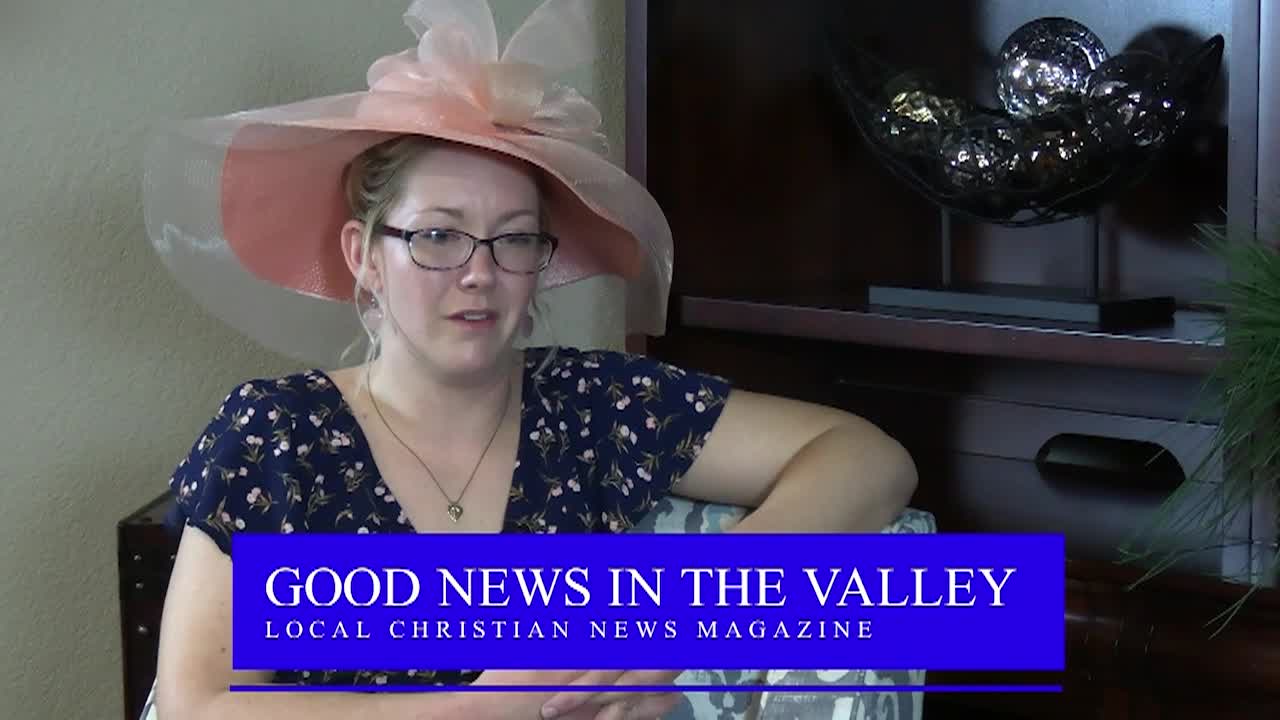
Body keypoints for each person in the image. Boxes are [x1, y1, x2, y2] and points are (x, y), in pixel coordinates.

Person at [145, 2, 918, 719]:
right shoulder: (277, 431)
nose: (479, 273)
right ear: (365, 257)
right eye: (437, 235)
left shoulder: (591, 405)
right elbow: (199, 707)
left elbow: (868, 458)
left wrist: (684, 620)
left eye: (514, 238)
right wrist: (488, 707)